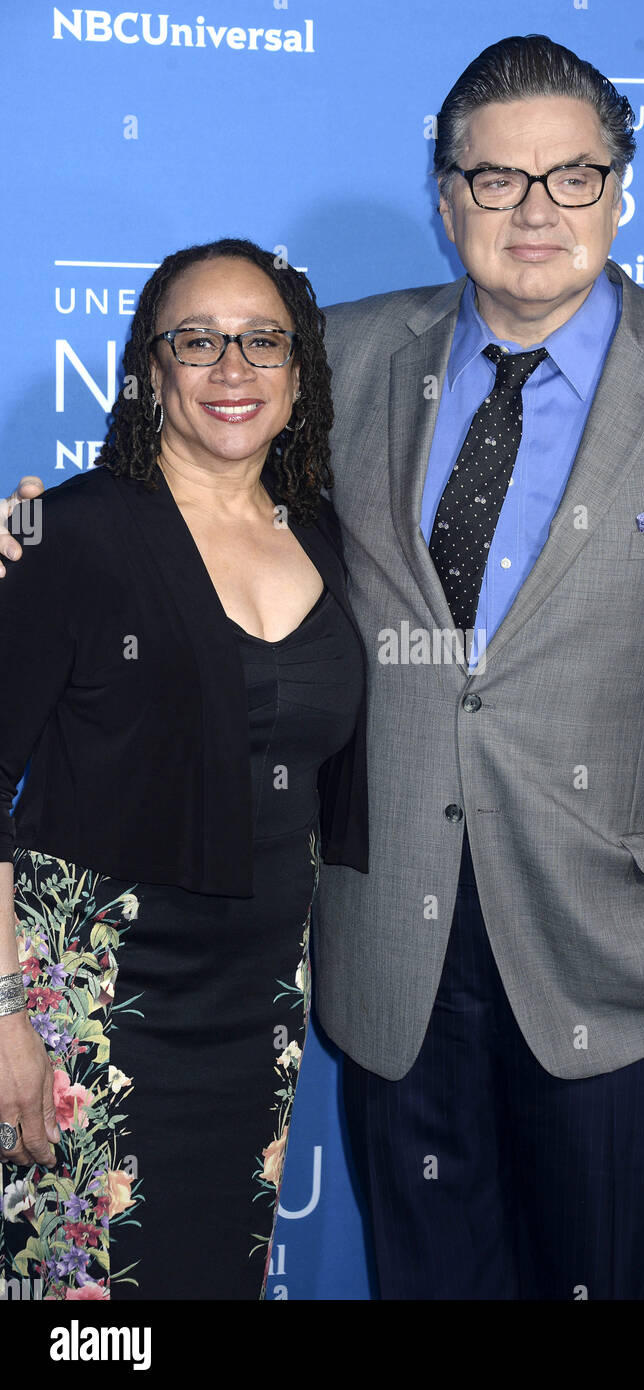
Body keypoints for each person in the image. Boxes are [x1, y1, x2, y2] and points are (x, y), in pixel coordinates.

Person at [2, 35, 644, 1302]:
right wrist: (33, 531)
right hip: (394, 958)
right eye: (496, 179)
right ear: (446, 198)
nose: (535, 211)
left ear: (620, 187)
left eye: (571, 176)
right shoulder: (339, 355)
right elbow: (193, 504)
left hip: (634, 975)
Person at [0, 237, 367, 1300]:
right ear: (149, 371)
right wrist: (5, 1016)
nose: (231, 370)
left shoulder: (325, 538)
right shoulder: (64, 533)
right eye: (195, 341)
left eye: (263, 342)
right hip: (84, 1016)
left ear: (300, 378)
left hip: (255, 1018)